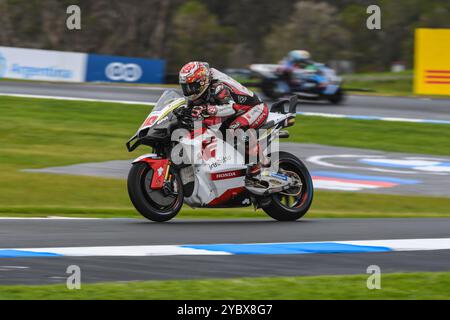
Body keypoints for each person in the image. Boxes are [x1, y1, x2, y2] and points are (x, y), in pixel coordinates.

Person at [178, 61, 270, 174]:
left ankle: (259, 162)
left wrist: (206, 109)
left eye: (191, 87)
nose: (188, 91)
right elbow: (192, 109)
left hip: (254, 109)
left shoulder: (218, 86)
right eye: (185, 87)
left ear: (202, 82)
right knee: (219, 136)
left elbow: (230, 108)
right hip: (237, 113)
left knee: (236, 128)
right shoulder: (202, 89)